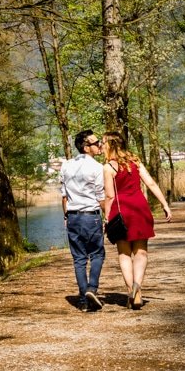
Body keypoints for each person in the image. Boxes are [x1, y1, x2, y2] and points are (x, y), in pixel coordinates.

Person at [100, 132, 171, 309]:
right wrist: (165, 204)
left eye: (103, 144)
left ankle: (132, 290)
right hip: (140, 208)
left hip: (121, 211)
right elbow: (151, 184)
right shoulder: (136, 162)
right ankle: (138, 288)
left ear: (110, 145)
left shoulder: (109, 167)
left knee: (124, 253)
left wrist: (106, 218)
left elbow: (109, 196)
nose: (101, 147)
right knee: (141, 252)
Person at [61, 130, 106, 311]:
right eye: (96, 143)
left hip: (73, 216)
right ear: (86, 147)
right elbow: (101, 197)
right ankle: (91, 288)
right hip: (90, 216)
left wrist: (66, 216)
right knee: (97, 254)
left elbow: (64, 196)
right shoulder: (97, 168)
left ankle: (83, 301)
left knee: (79, 259)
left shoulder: (66, 165)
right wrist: (109, 216)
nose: (100, 145)